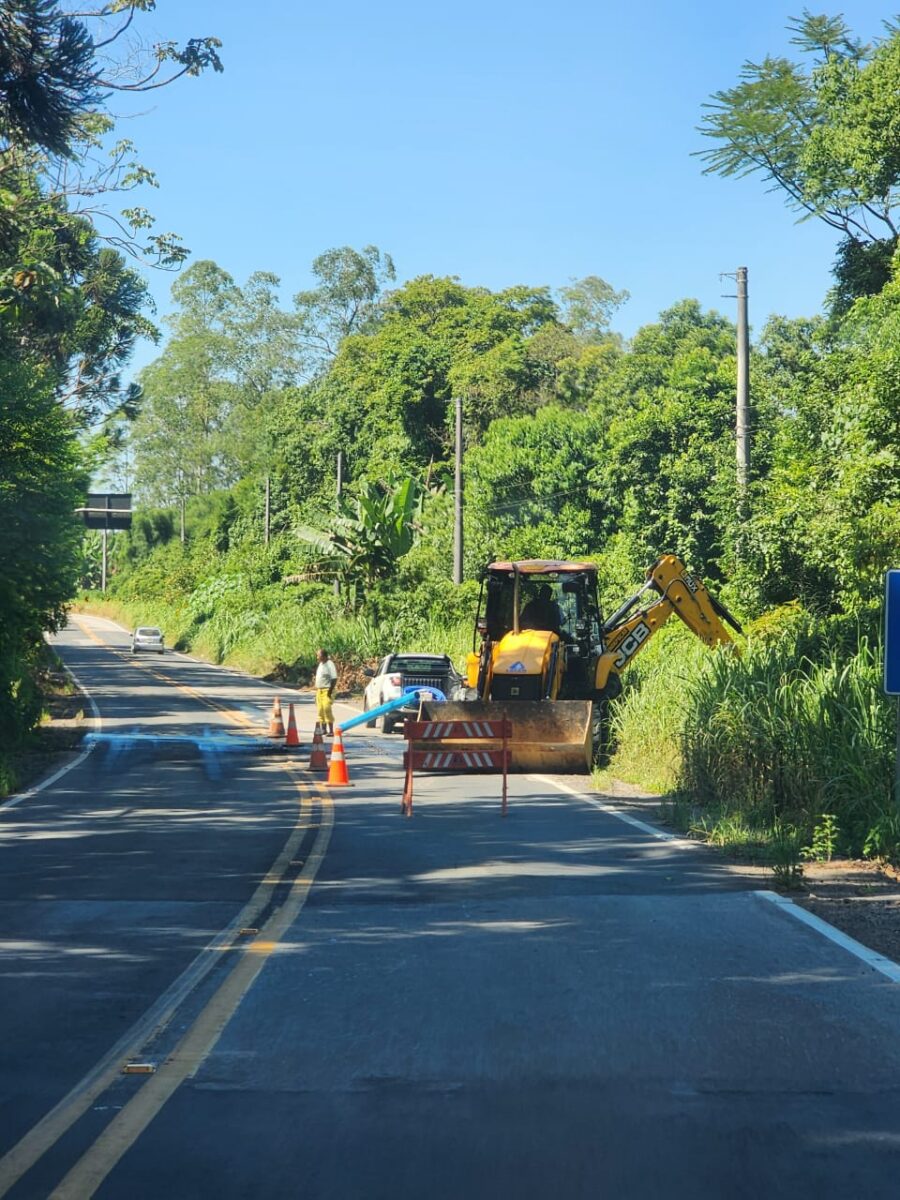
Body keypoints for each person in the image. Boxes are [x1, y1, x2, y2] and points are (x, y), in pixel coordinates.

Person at [314, 648, 338, 736]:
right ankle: (323, 729)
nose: (317, 657)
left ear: (324, 656)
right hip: (319, 690)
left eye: (318, 656)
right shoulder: (321, 664)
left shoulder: (329, 664)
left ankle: (331, 730)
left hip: (327, 690)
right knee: (320, 710)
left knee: (327, 709)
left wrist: (330, 692)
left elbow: (334, 679)